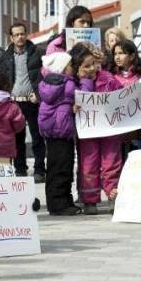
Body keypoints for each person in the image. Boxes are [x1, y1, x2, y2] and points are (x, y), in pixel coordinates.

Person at [72, 43, 123, 214]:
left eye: (93, 63)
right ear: (77, 68)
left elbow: (122, 95)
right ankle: (90, 200)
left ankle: (113, 196)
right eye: (86, 66)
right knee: (88, 165)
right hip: (88, 133)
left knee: (111, 163)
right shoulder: (74, 83)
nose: (91, 68)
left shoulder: (108, 78)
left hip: (110, 130)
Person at [0, 23, 46, 181]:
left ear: (26, 34)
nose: (20, 37)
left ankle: (39, 170)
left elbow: (44, 76)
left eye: (22, 34)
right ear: (11, 37)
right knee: (18, 138)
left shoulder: (37, 52)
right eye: (16, 35)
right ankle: (20, 169)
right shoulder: (5, 56)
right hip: (14, 103)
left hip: (33, 102)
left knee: (37, 137)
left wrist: (38, 94)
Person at [38, 52, 84, 216]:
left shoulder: (50, 83)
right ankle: (60, 204)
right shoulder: (67, 83)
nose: (73, 68)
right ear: (63, 68)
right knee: (62, 168)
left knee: (56, 167)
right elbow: (78, 95)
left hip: (54, 131)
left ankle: (61, 201)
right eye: (71, 65)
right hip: (61, 131)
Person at [0, 71, 26, 159]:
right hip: (7, 147)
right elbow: (19, 125)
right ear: (6, 86)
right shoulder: (12, 106)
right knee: (5, 171)